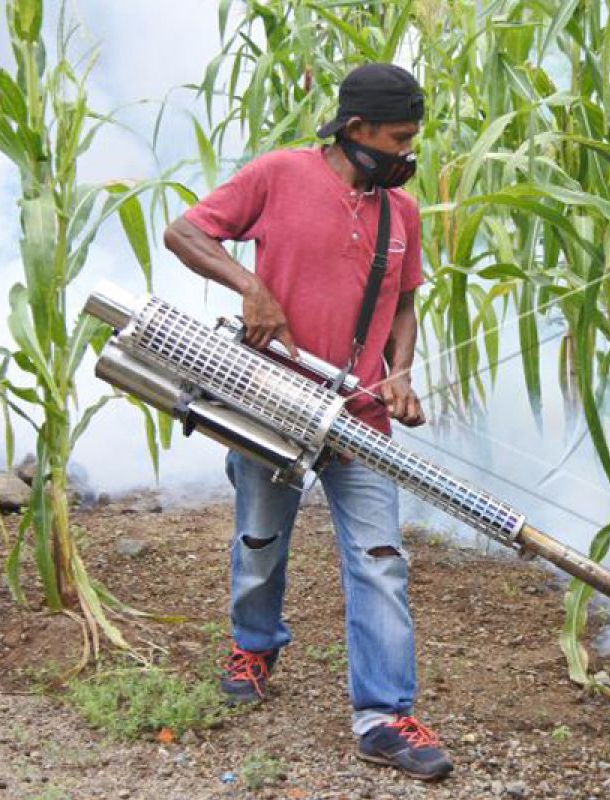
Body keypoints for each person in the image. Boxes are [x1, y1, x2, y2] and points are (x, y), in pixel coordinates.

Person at [163, 63, 452, 782]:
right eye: (398, 139)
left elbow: (406, 303)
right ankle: (254, 645)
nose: (406, 154)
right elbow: (184, 232)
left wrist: (401, 374)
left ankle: (383, 718)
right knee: (259, 540)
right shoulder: (277, 176)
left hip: (359, 422)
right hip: (269, 403)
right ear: (356, 132)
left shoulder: (400, 212)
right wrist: (251, 286)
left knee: (381, 562)